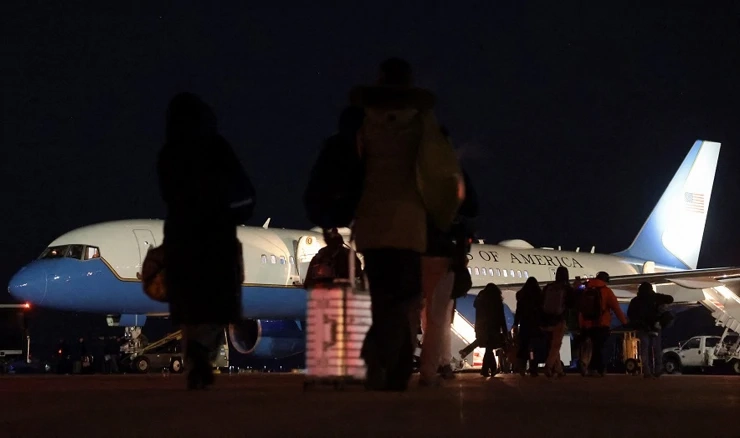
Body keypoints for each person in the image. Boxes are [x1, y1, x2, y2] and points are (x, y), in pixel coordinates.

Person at [351, 58, 440, 391]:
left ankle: (384, 362)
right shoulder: (421, 124)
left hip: (372, 224)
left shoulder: (363, 124)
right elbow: (437, 167)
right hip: (408, 224)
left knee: (382, 299)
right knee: (406, 299)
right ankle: (389, 363)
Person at [157, 92, 255, 390]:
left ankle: (194, 357)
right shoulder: (216, 146)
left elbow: (168, 193)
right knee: (216, 300)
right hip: (215, 233)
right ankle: (202, 352)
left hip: (181, 234)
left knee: (189, 301)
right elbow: (242, 188)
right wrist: (233, 213)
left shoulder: (169, 152)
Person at [578, 271, 627, 377]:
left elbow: (581, 309)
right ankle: (598, 369)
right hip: (601, 324)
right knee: (599, 348)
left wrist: (581, 324)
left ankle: (588, 367)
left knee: (588, 347)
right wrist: (624, 322)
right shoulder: (606, 291)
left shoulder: (585, 289)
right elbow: (616, 309)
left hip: (586, 324)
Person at [627, 282, 674, 378]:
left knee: (644, 349)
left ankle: (646, 371)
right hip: (655, 326)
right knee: (656, 348)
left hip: (642, 327)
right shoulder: (655, 297)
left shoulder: (635, 301)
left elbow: (630, 314)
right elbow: (670, 299)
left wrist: (637, 323)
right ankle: (658, 369)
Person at [540, 266, 576, 377]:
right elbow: (572, 304)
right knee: (556, 345)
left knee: (553, 345)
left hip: (546, 320)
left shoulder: (548, 287)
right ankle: (549, 366)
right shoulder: (566, 289)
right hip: (559, 320)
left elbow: (541, 302)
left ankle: (559, 369)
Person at [473, 283, 509, 377]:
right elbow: (501, 318)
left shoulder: (480, 302)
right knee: (489, 348)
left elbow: (477, 310)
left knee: (488, 349)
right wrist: (505, 332)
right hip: (493, 329)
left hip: (481, 328)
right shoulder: (497, 302)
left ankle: (490, 369)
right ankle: (488, 369)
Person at [514, 277, 543, 376]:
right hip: (536, 326)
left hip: (525, 325)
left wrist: (515, 324)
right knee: (534, 348)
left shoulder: (522, 297)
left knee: (523, 347)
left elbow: (518, 312)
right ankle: (533, 367)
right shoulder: (539, 297)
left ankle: (521, 368)